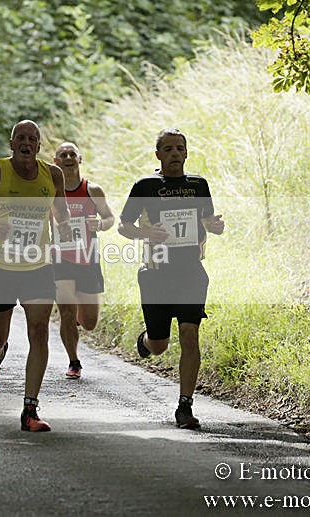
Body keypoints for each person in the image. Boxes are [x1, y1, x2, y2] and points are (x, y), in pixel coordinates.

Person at [0, 119, 72, 432]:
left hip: (38, 267)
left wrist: (65, 228)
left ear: (38, 146)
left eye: (32, 138)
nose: (26, 142)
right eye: (20, 137)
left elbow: (61, 213)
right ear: (11, 144)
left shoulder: (53, 175)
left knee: (39, 330)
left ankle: (30, 408)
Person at [118, 128, 225, 429]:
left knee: (190, 335)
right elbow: (124, 226)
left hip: (191, 271)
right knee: (160, 345)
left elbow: (206, 222)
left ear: (187, 153)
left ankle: (185, 406)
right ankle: (146, 340)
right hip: (156, 274)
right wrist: (144, 233)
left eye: (180, 148)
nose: (175, 153)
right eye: (168, 149)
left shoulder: (198, 185)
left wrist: (214, 226)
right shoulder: (145, 186)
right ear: (158, 154)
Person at [51, 142, 115, 379]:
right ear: (55, 161)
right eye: (63, 155)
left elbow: (109, 217)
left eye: (72, 154)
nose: (68, 157)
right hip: (59, 260)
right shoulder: (50, 191)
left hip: (88, 260)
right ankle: (74, 361)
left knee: (89, 323)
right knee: (66, 312)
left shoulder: (92, 190)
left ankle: (76, 321)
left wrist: (100, 224)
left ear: (80, 159)